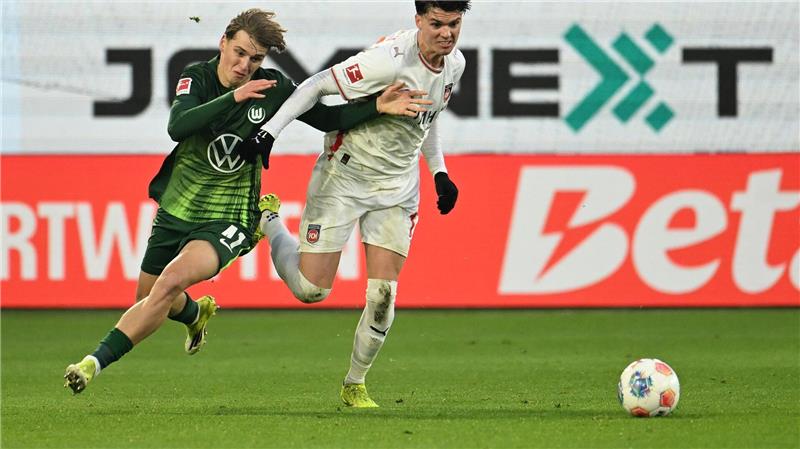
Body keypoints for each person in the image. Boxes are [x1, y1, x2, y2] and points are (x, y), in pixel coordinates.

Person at [63, 8, 432, 395]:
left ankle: (91, 364)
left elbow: (324, 118)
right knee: (150, 297)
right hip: (178, 207)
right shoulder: (198, 76)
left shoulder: (272, 87)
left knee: (169, 283)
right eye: (239, 53)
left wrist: (376, 106)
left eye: (255, 59)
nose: (244, 65)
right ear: (223, 43)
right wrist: (234, 98)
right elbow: (178, 126)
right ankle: (195, 313)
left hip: (231, 214)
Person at [247, 0, 470, 407]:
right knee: (311, 289)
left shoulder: (455, 64)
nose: (446, 33)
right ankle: (269, 220)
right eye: (437, 23)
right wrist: (269, 132)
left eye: (454, 24)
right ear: (418, 19)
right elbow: (314, 86)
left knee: (383, 294)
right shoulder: (386, 62)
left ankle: (355, 383)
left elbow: (429, 115)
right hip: (344, 177)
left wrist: (439, 171)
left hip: (398, 188)